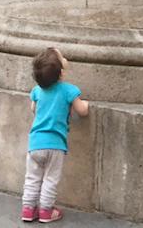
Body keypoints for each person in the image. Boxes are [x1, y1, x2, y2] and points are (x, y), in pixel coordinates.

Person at [22, 47, 89, 223]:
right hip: (55, 146)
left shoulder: (37, 91)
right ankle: (45, 210)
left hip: (35, 143)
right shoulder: (69, 90)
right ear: (61, 71)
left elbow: (33, 109)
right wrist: (87, 105)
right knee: (50, 179)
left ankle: (28, 208)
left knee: (32, 177)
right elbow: (82, 110)